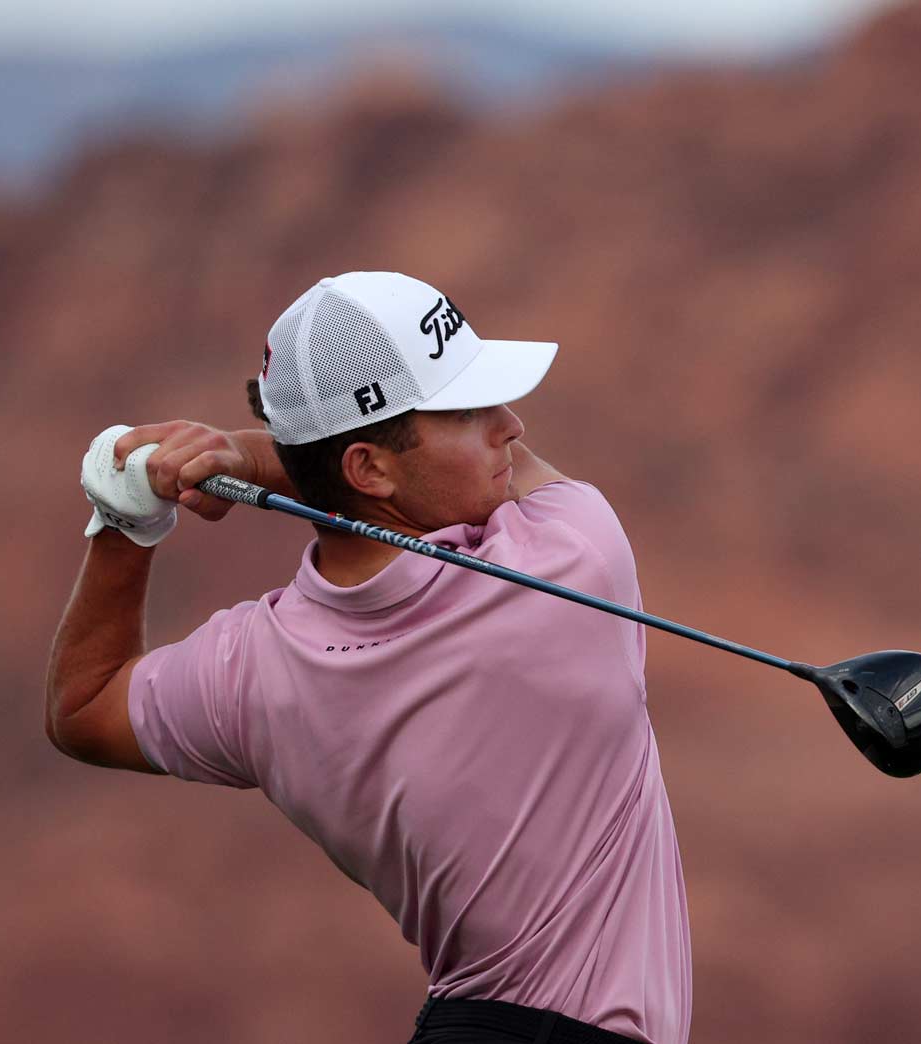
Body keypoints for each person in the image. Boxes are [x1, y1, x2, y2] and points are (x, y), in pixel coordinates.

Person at [45, 272, 692, 1044]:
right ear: (370, 470)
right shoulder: (567, 562)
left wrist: (125, 517)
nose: (511, 426)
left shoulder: (250, 670)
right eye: (467, 410)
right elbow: (479, 477)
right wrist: (244, 460)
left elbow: (83, 709)